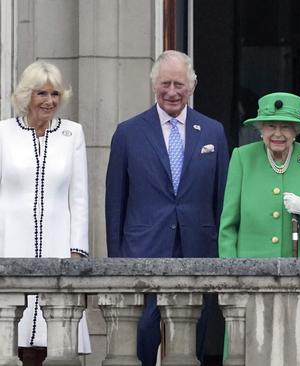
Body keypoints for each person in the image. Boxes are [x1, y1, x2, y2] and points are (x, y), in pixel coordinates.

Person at [105, 50, 229, 366]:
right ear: (153, 86)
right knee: (141, 340)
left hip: (197, 251)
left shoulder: (213, 131)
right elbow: (115, 202)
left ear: (192, 87)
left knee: (190, 346)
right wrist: (117, 261)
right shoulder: (128, 132)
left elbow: (222, 199)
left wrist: (219, 252)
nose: (172, 92)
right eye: (165, 84)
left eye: (179, 84)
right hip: (142, 252)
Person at [219, 91, 300, 363]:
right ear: (260, 130)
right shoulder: (242, 157)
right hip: (248, 279)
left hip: (299, 278)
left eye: (285, 126)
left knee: (294, 352)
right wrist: (230, 273)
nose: (278, 133)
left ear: (296, 131)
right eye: (271, 126)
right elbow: (228, 225)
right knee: (247, 352)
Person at [0, 61, 91, 365]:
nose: (49, 101)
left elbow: (79, 197)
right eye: (42, 93)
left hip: (57, 247)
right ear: (27, 95)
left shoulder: (72, 134)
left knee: (56, 342)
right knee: (13, 339)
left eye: (54, 94)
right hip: (11, 244)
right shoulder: (4, 133)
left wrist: (77, 251)